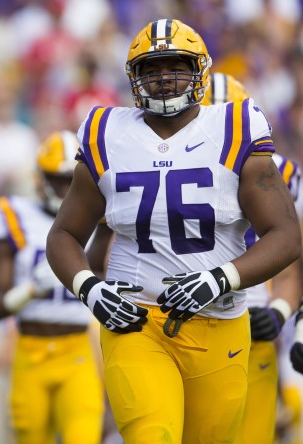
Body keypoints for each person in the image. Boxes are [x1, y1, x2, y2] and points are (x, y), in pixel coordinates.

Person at [46, 19, 301, 444]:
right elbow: (64, 235)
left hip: (220, 322)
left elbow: (285, 236)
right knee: (153, 434)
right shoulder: (106, 132)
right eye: (152, 69)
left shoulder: (235, 126)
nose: (164, 78)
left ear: (199, 69)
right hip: (136, 321)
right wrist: (89, 288)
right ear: (134, 77)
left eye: (176, 66)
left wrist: (219, 279)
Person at [202, 72, 302, 444]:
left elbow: (294, 261)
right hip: (185, 325)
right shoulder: (162, 167)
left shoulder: (281, 173)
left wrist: (278, 311)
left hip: (250, 321)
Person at [0, 130, 103, 444]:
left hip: (77, 350)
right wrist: (31, 290)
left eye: (71, 179)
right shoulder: (13, 215)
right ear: (40, 179)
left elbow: (106, 277)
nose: (66, 189)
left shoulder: (98, 218)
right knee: (30, 437)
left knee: (84, 436)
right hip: (30, 351)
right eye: (58, 179)